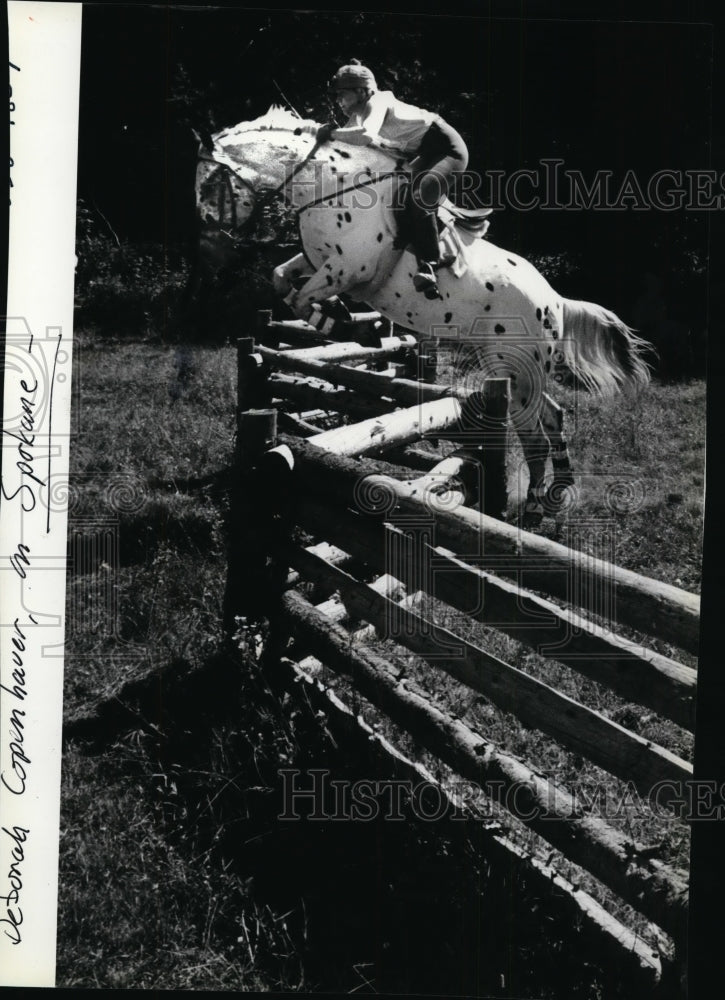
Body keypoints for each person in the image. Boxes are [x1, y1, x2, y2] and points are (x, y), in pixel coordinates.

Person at [319, 61, 469, 299]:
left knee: (419, 196)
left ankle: (430, 263)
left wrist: (330, 133)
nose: (338, 101)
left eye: (342, 95)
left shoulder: (377, 101)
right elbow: (344, 144)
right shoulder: (359, 113)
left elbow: (364, 137)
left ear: (361, 91)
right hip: (423, 153)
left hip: (447, 149)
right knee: (393, 200)